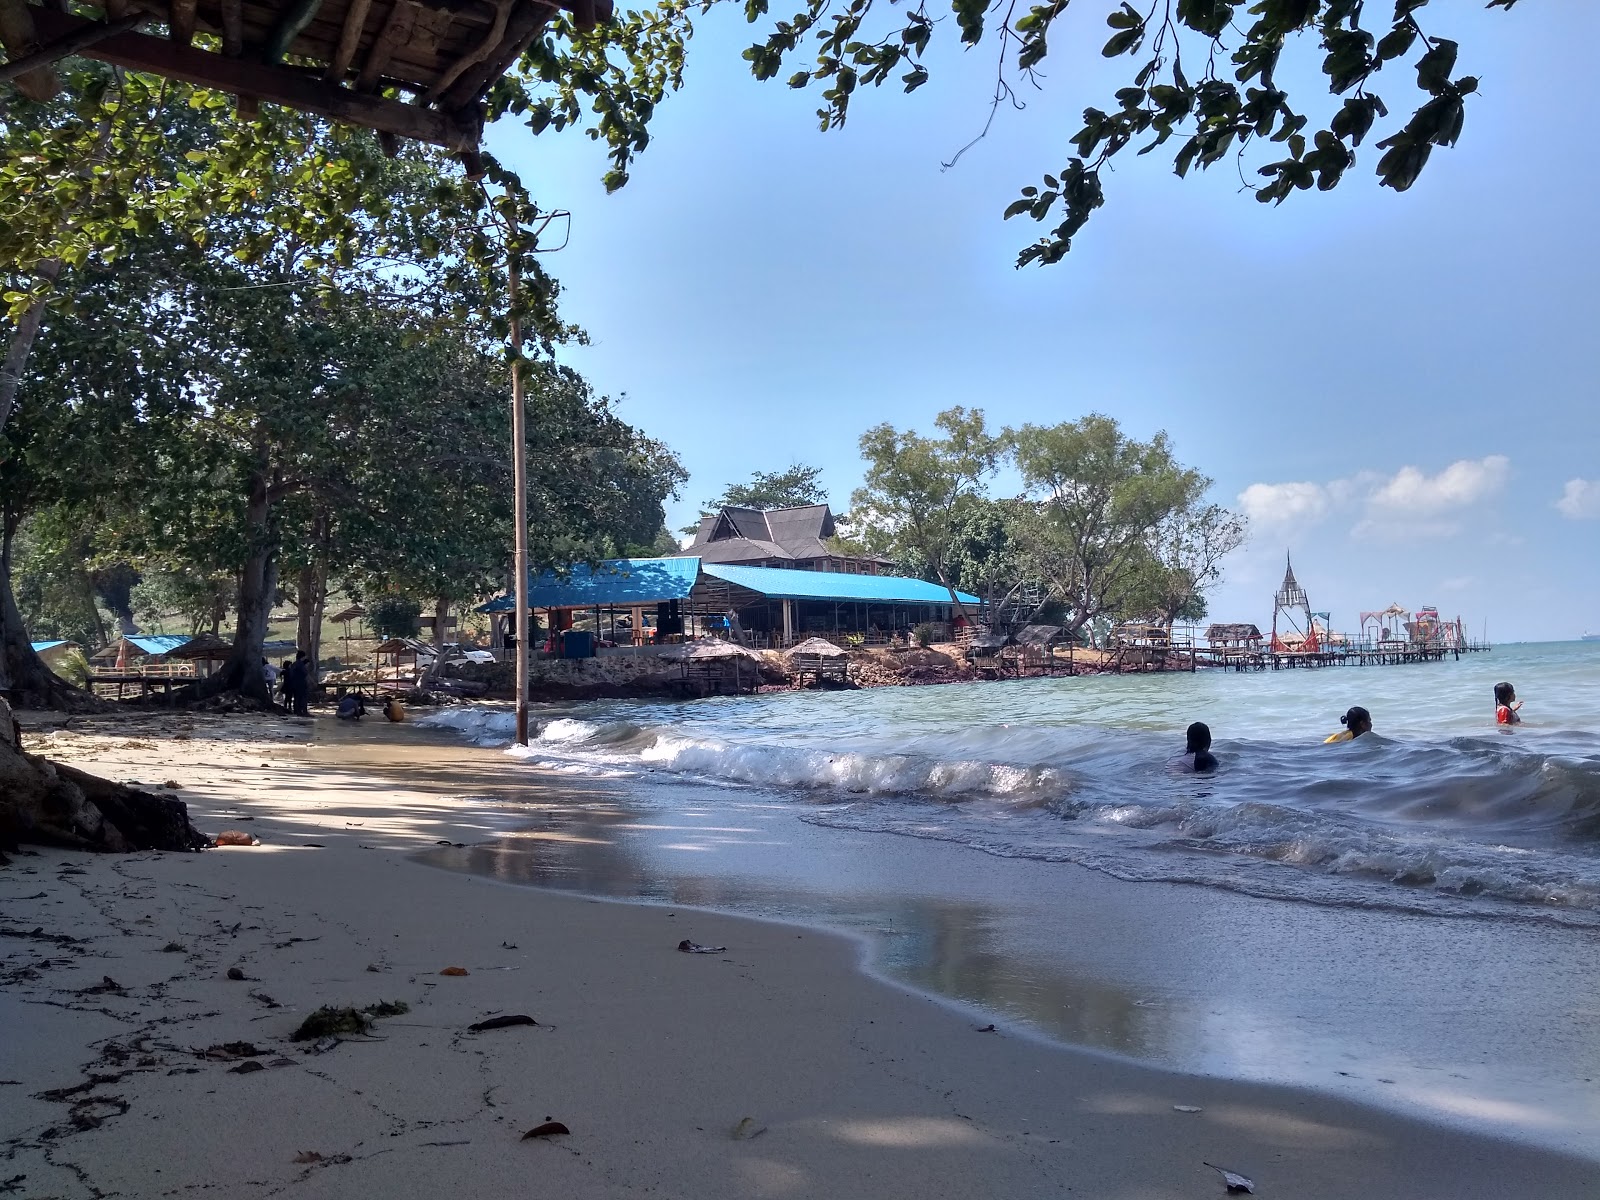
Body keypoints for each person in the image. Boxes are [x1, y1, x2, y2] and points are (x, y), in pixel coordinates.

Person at [285, 650, 311, 717]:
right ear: (303, 656)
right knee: (303, 697)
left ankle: (296, 711)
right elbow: (305, 674)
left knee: (297, 698)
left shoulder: (294, 664)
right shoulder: (301, 664)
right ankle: (303, 711)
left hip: (294, 683)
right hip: (301, 683)